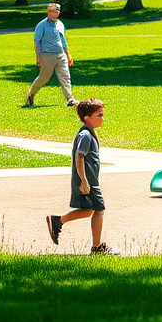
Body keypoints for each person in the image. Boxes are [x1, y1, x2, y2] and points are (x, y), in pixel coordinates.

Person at [46, 99, 119, 254]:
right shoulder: (85, 135)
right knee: (98, 210)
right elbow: (79, 157)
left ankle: (57, 221)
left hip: (90, 181)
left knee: (89, 210)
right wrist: (84, 181)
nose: (102, 118)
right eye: (99, 115)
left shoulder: (87, 132)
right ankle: (97, 248)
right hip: (88, 182)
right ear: (87, 118)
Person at [26, 3, 77, 108]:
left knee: (65, 76)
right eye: (51, 11)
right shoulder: (42, 25)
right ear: (48, 12)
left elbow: (63, 41)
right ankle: (31, 94)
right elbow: (37, 41)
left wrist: (68, 54)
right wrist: (38, 57)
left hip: (60, 54)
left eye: (56, 11)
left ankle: (70, 99)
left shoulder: (60, 24)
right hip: (47, 55)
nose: (54, 13)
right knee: (44, 78)